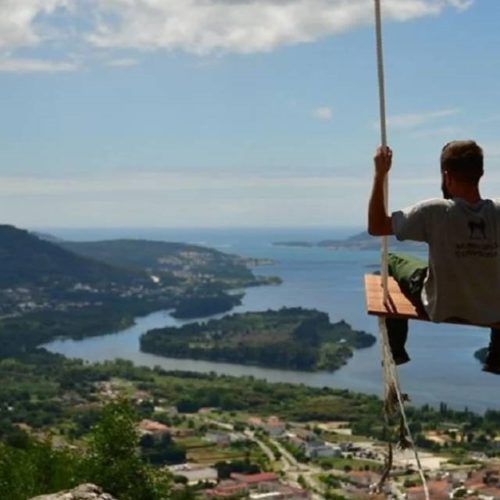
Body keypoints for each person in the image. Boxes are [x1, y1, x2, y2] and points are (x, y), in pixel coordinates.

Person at [368, 140, 500, 373]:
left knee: (392, 260)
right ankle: (497, 357)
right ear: (480, 173)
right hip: (491, 308)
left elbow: (377, 226)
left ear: (446, 176)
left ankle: (395, 351)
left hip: (441, 305)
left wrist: (380, 175)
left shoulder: (435, 211)